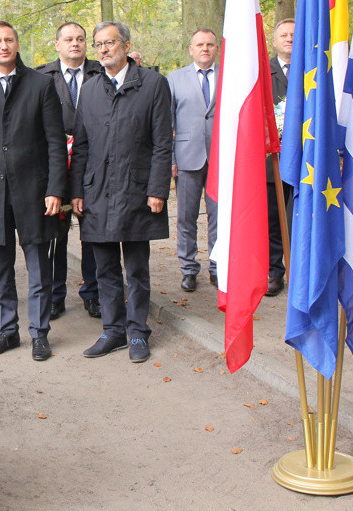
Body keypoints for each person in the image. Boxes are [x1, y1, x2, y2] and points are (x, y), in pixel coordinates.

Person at [0, 20, 67, 362]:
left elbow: (55, 142)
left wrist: (55, 188)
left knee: (38, 267)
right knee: (0, 269)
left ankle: (40, 333)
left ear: (17, 44)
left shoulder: (41, 84)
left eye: (9, 39)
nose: (3, 45)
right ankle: (7, 331)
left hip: (34, 191)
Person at [71, 21, 172, 363]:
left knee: (137, 268)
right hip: (97, 191)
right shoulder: (90, 88)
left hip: (137, 190)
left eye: (110, 43)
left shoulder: (153, 84)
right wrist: (77, 191)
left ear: (126, 46)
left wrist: (157, 189)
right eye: (98, 44)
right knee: (104, 268)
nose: (103, 49)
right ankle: (113, 331)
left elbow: (162, 143)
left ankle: (137, 331)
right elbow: (81, 145)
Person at [36, 21, 102, 320]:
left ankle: (94, 292)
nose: (74, 43)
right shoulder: (41, 77)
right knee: (56, 234)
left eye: (80, 39)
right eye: (68, 39)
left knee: (94, 233)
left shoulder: (101, 73)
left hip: (93, 165)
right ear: (57, 44)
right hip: (55, 166)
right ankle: (55, 294)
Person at [168, 29, 219, 292]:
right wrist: (171, 158)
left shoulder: (229, 75)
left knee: (218, 217)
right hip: (187, 157)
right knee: (186, 217)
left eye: (210, 44)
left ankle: (217, 267)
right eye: (200, 44)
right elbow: (167, 122)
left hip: (220, 158)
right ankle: (188, 269)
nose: (205, 49)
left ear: (217, 48)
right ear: (191, 49)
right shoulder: (174, 78)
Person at [266, 18, 295, 296]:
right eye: (283, 35)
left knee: (302, 217)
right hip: (271, 160)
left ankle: (301, 271)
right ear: (274, 41)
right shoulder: (263, 72)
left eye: (293, 35)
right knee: (273, 219)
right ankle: (275, 272)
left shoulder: (314, 69)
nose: (289, 39)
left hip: (305, 160)